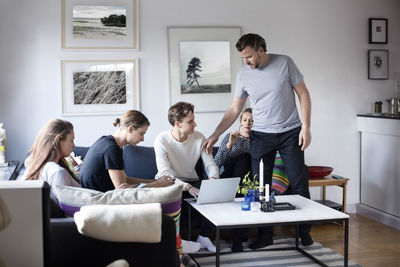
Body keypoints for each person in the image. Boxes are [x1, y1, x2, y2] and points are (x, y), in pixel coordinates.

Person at [202, 33, 313, 249]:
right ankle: (265, 235)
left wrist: (306, 127)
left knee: (298, 181)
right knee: (261, 186)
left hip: (290, 132)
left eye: (250, 56)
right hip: (261, 135)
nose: (246, 62)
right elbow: (235, 108)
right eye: (243, 58)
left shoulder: (285, 63)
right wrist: (215, 134)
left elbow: (304, 94)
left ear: (261, 50)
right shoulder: (244, 74)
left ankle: (304, 232)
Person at [154, 102, 219, 253]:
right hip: (169, 182)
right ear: (177, 124)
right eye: (190, 121)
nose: (195, 124)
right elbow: (165, 174)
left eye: (194, 120)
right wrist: (188, 188)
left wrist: (213, 181)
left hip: (192, 180)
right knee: (169, 194)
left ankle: (203, 236)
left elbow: (211, 165)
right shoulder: (161, 140)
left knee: (214, 195)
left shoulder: (199, 137)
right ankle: (176, 242)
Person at [80, 110, 174, 192]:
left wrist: (156, 181)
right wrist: (157, 185)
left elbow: (125, 179)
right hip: (98, 200)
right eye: (142, 134)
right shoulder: (112, 149)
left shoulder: (106, 141)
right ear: (131, 129)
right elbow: (124, 192)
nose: (142, 139)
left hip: (97, 195)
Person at [23, 119, 80, 199]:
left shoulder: (32, 168)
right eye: (71, 140)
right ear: (59, 139)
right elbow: (66, 209)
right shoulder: (57, 172)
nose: (74, 145)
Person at [214, 108, 253, 179]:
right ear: (241, 121)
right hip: (228, 174)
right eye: (245, 120)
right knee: (244, 156)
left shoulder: (257, 142)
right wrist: (229, 145)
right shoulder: (230, 136)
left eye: (251, 121)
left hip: (248, 176)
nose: (247, 123)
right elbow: (216, 163)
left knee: (246, 157)